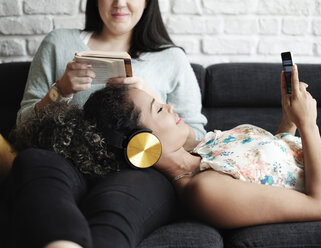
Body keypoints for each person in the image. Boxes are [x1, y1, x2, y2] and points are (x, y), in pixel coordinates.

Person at [11, 65, 321, 232]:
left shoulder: (205, 148)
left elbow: (275, 164)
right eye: (158, 109)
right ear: (142, 147)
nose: (169, 107)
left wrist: (289, 119)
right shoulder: (204, 188)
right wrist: (309, 123)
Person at [11, 0, 207, 247]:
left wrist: (151, 97)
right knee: (35, 162)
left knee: (119, 201)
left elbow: (198, 139)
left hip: (139, 171)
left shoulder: (171, 58)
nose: (119, 3)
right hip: (69, 160)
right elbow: (22, 127)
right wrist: (60, 90)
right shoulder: (58, 43)